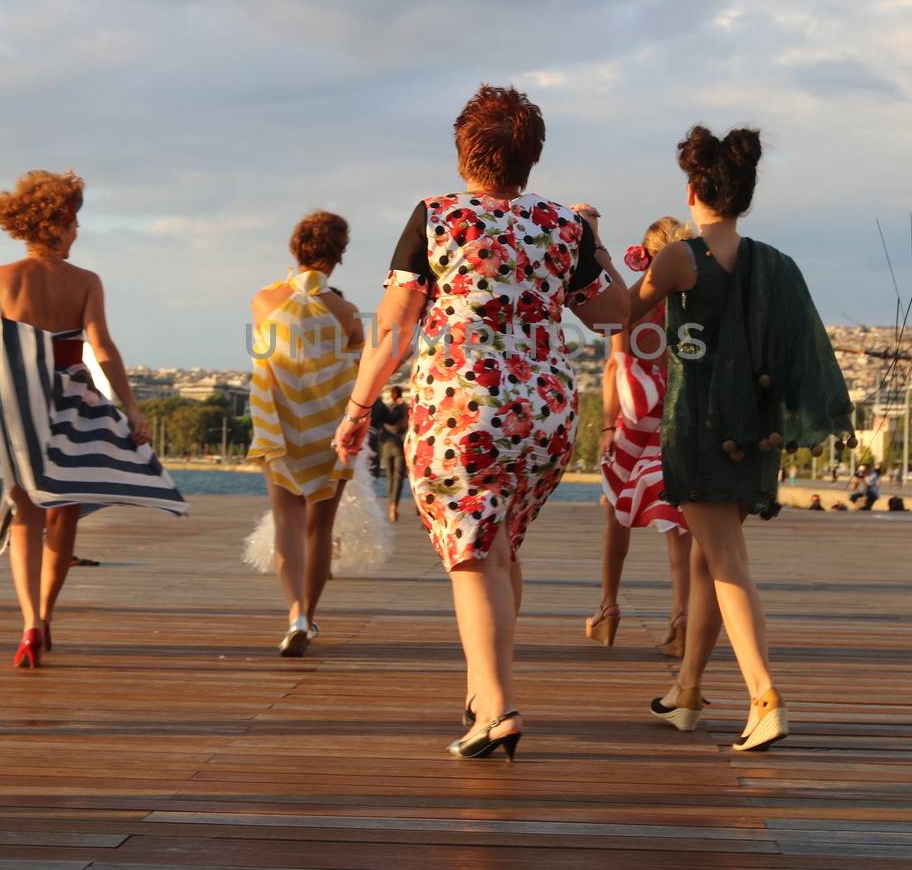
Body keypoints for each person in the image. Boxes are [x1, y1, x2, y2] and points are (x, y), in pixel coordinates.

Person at [332, 84, 630, 760]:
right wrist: (599, 245)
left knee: (473, 552)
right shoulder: (564, 225)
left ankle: (496, 705)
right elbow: (613, 316)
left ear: (465, 148)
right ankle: (481, 690)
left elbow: (392, 331)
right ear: (531, 155)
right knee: (500, 547)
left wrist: (357, 409)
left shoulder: (436, 215)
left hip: (462, 407)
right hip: (546, 413)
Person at [0, 170, 184, 668]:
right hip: (70, 403)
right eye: (75, 222)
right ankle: (45, 614)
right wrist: (131, 407)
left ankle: (27, 623)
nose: (77, 232)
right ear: (60, 222)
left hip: (16, 408)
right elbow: (102, 349)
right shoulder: (86, 282)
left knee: (24, 514)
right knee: (63, 512)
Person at [627, 123, 853, 754]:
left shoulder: (679, 257)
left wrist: (588, 245)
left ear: (695, 188)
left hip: (699, 430)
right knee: (707, 557)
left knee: (724, 560)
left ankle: (764, 696)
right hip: (754, 434)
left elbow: (619, 313)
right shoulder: (775, 264)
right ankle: (688, 689)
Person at [248, 211, 366, 658]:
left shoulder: (263, 300)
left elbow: (270, 352)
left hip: (281, 425)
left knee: (287, 523)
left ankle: (295, 612)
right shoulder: (346, 312)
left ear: (294, 249)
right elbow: (357, 369)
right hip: (329, 427)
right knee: (320, 528)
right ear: (339, 254)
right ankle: (310, 617)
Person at [592, 217, 694, 658]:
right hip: (679, 414)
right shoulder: (693, 304)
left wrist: (608, 425)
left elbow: (616, 366)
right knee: (680, 524)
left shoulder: (630, 303)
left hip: (635, 416)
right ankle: (681, 618)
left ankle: (608, 607)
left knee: (617, 513)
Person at [371, 385, 410, 522]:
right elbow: (400, 423)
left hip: (385, 445)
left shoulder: (385, 407)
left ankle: (390, 505)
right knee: (398, 477)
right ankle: (394, 505)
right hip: (398, 445)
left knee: (389, 476)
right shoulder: (402, 409)